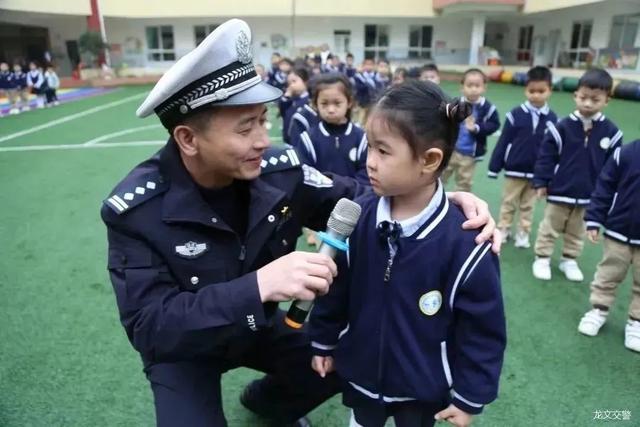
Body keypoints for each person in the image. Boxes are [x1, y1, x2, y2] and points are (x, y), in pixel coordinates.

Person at [101, 19, 499, 427]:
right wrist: (258, 286)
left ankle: (269, 404)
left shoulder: (277, 172)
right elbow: (151, 327)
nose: (262, 139)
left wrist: (440, 200)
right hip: (187, 348)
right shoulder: (135, 210)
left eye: (262, 119)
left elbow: (362, 202)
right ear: (188, 139)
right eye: (245, 127)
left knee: (344, 359)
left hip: (265, 327)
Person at [309, 81, 506, 427]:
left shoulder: (466, 243)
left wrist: (470, 397)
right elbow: (334, 286)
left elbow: (482, 330)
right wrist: (323, 340)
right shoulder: (359, 215)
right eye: (369, 147)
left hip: (423, 389)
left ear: (429, 160)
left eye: (382, 152)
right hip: (362, 375)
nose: (368, 162)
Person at [532, 68, 622, 282]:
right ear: (575, 95)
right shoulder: (560, 127)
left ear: (607, 100)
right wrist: (541, 182)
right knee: (550, 226)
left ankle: (569, 259)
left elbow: (613, 168)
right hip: (560, 190)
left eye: (595, 99)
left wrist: (607, 194)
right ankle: (542, 257)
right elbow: (546, 157)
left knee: (577, 231)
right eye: (583, 98)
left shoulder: (612, 132)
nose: (588, 104)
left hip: (588, 195)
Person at [578, 140, 640, 352]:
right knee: (608, 274)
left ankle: (636, 321)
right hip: (618, 230)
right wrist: (594, 218)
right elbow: (605, 185)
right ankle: (598, 309)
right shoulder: (625, 153)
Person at [488, 66, 557, 248]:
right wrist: (495, 166)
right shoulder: (515, 115)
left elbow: (554, 151)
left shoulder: (553, 119)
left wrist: (550, 173)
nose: (536, 95)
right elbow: (503, 142)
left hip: (536, 173)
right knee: (508, 202)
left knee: (528, 206)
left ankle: (523, 232)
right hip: (514, 169)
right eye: (531, 91)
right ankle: (503, 228)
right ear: (525, 89)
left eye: (541, 91)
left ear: (550, 90)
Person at [442, 68, 500, 192]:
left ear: (484, 87)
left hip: (470, 154)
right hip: (451, 150)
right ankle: (434, 199)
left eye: (477, 85)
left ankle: (459, 207)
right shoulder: (455, 104)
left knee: (464, 182)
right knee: (440, 175)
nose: (473, 89)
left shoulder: (488, 108)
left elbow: (494, 125)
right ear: (462, 87)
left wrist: (477, 128)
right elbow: (444, 121)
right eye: (469, 85)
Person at [279, 67, 310, 145]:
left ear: (305, 82)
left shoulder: (309, 100)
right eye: (289, 83)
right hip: (288, 141)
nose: (291, 85)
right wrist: (287, 95)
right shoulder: (289, 100)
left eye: (294, 81)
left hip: (301, 142)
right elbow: (282, 110)